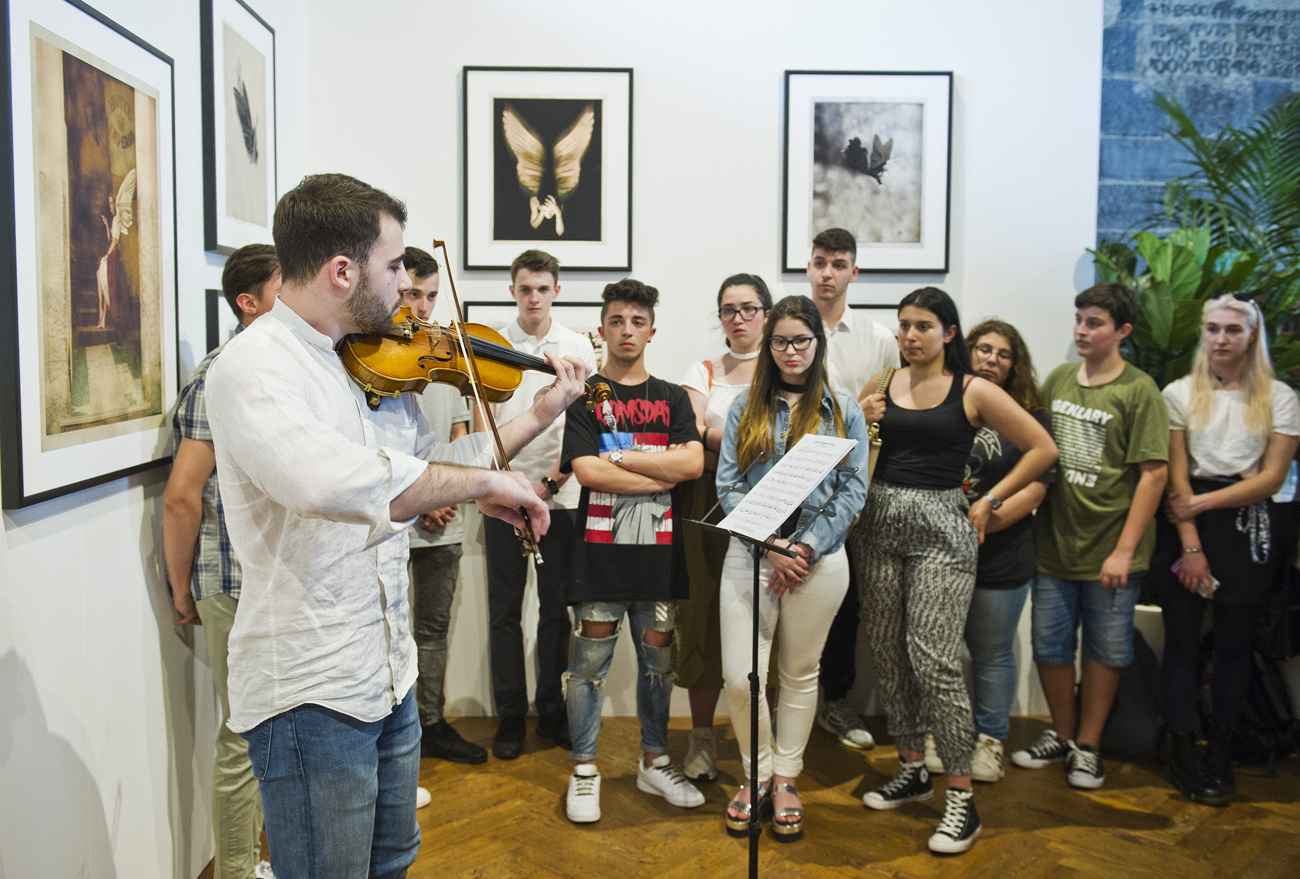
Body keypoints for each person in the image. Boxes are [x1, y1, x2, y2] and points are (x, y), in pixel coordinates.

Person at [204, 173, 589, 879]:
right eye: (393, 269)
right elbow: (329, 482)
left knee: (392, 861)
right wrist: (484, 484)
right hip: (312, 688)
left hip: (388, 670)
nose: (407, 290)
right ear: (342, 270)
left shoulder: (366, 363)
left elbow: (433, 467)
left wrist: (540, 413)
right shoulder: (255, 367)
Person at [854, 288, 1056, 855]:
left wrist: (990, 499)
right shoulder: (881, 383)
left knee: (934, 660)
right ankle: (912, 768)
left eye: (922, 326)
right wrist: (857, 419)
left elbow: (1042, 449)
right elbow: (843, 447)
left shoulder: (974, 389)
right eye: (903, 325)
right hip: (877, 526)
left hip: (943, 531)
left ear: (948, 333)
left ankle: (961, 797)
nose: (909, 335)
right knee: (889, 652)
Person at [716, 295, 870, 842]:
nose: (790, 350)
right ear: (769, 345)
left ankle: (784, 778)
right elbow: (728, 485)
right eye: (780, 340)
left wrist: (802, 548)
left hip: (817, 563)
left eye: (800, 340)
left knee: (800, 675)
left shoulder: (843, 410)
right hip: (751, 555)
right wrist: (771, 545)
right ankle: (755, 772)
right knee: (741, 677)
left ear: (817, 344)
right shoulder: (745, 406)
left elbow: (853, 491)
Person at [558, 279, 705, 824]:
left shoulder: (672, 398)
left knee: (658, 667)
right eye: (617, 321)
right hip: (599, 557)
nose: (627, 330)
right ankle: (584, 769)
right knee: (587, 668)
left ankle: (655, 761)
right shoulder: (586, 396)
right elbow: (586, 471)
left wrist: (618, 459)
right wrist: (658, 471)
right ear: (602, 329)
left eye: (637, 322)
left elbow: (692, 464)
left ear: (651, 331)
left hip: (659, 559)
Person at [1013, 283, 1168, 792]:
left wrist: (1124, 551)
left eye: (1094, 323)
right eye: (1079, 319)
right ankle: (1062, 734)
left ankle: (1089, 744)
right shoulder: (1059, 379)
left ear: (1122, 331)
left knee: (1106, 649)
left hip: (1112, 552)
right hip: (1055, 545)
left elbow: (1153, 475)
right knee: (1050, 645)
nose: (1081, 330)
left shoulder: (1140, 390)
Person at [1153, 294, 1299, 804]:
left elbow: (1271, 479)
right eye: (1212, 329)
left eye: (1232, 330)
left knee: (1236, 645)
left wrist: (1201, 503)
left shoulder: (1280, 397)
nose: (1220, 339)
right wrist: (1191, 542)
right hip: (1186, 524)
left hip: (1247, 527)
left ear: (1252, 335)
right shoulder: (1178, 393)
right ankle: (1181, 746)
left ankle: (1220, 749)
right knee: (1181, 642)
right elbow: (1176, 476)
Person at [163, 243, 280, 879]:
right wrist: (181, 590)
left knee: (265, 728)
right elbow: (182, 497)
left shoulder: (279, 369)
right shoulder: (219, 375)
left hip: (269, 579)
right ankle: (236, 871)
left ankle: (254, 860)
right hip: (232, 578)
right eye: (284, 287)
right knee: (241, 735)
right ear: (248, 302)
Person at [923, 320, 1056, 784]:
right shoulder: (944, 399)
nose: (991, 359)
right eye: (983, 349)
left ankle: (990, 741)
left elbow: (1037, 487)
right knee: (937, 652)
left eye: (1003, 354)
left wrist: (984, 518)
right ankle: (943, 735)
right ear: (967, 350)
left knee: (993, 652)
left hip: (1001, 553)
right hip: (938, 552)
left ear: (1015, 365)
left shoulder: (1031, 415)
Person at [479, 249, 596, 760]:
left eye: (543, 288)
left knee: (555, 610)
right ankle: (510, 715)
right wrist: (502, 483)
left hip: (561, 497)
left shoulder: (577, 345)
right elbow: (484, 422)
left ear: (556, 291)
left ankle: (550, 711)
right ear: (513, 291)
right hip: (502, 496)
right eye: (525, 288)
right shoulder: (493, 343)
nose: (534, 297)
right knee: (504, 611)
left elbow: (583, 425)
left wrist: (551, 481)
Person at [675, 273, 772, 781]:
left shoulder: (785, 366)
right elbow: (689, 434)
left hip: (776, 500)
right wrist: (744, 443)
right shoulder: (705, 369)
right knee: (704, 612)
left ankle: (765, 744)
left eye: (748, 308)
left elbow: (793, 439)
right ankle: (701, 737)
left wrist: (721, 441)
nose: (738, 318)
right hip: (708, 502)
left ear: (767, 314)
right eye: (728, 310)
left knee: (770, 619)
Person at [805, 228, 899, 751]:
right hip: (799, 481)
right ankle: (788, 700)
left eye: (838, 264)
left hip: (858, 484)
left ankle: (836, 701)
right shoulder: (790, 328)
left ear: (854, 273)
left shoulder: (879, 338)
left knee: (848, 602)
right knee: (790, 593)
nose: (827, 272)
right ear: (808, 266)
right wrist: (854, 412)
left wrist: (860, 417)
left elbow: (888, 412)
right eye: (820, 262)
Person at [399, 247, 486, 773]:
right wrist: (420, 500)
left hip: (443, 518)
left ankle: (430, 723)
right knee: (386, 628)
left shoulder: (444, 357)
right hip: (391, 520)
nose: (424, 306)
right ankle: (394, 730)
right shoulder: (363, 353)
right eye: (413, 293)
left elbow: (459, 436)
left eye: (431, 296)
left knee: (432, 629)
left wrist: (444, 495)